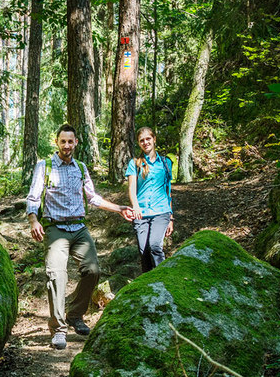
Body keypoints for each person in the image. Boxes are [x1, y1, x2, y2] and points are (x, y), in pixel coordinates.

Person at [26, 124, 134, 350]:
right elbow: (34, 198)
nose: (67, 145)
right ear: (57, 142)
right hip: (55, 229)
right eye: (63, 141)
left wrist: (119, 208)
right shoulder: (44, 167)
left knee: (92, 270)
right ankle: (58, 329)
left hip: (79, 228)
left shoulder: (81, 168)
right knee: (56, 276)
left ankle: (75, 314)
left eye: (70, 141)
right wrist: (34, 221)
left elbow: (93, 198)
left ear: (76, 143)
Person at [125, 126, 174, 273]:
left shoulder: (166, 163)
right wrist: (136, 207)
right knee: (144, 252)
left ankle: (164, 279)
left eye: (148, 139)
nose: (145, 142)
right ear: (139, 143)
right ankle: (147, 286)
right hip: (141, 213)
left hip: (161, 211)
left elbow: (168, 190)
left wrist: (171, 217)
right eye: (142, 140)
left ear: (154, 139)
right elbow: (131, 189)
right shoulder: (135, 163)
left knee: (155, 246)